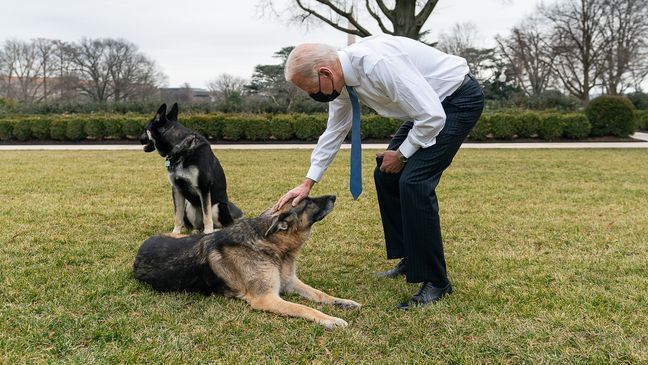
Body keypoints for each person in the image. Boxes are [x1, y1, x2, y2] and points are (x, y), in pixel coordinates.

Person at [274, 34, 484, 309]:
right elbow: (334, 131)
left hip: (455, 101)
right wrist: (307, 183)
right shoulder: (341, 83)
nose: (314, 96)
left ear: (325, 72)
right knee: (387, 175)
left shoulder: (378, 64)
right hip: (427, 108)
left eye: (311, 90)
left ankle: (437, 281)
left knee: (414, 182)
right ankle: (411, 259)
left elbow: (433, 116)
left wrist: (403, 154)